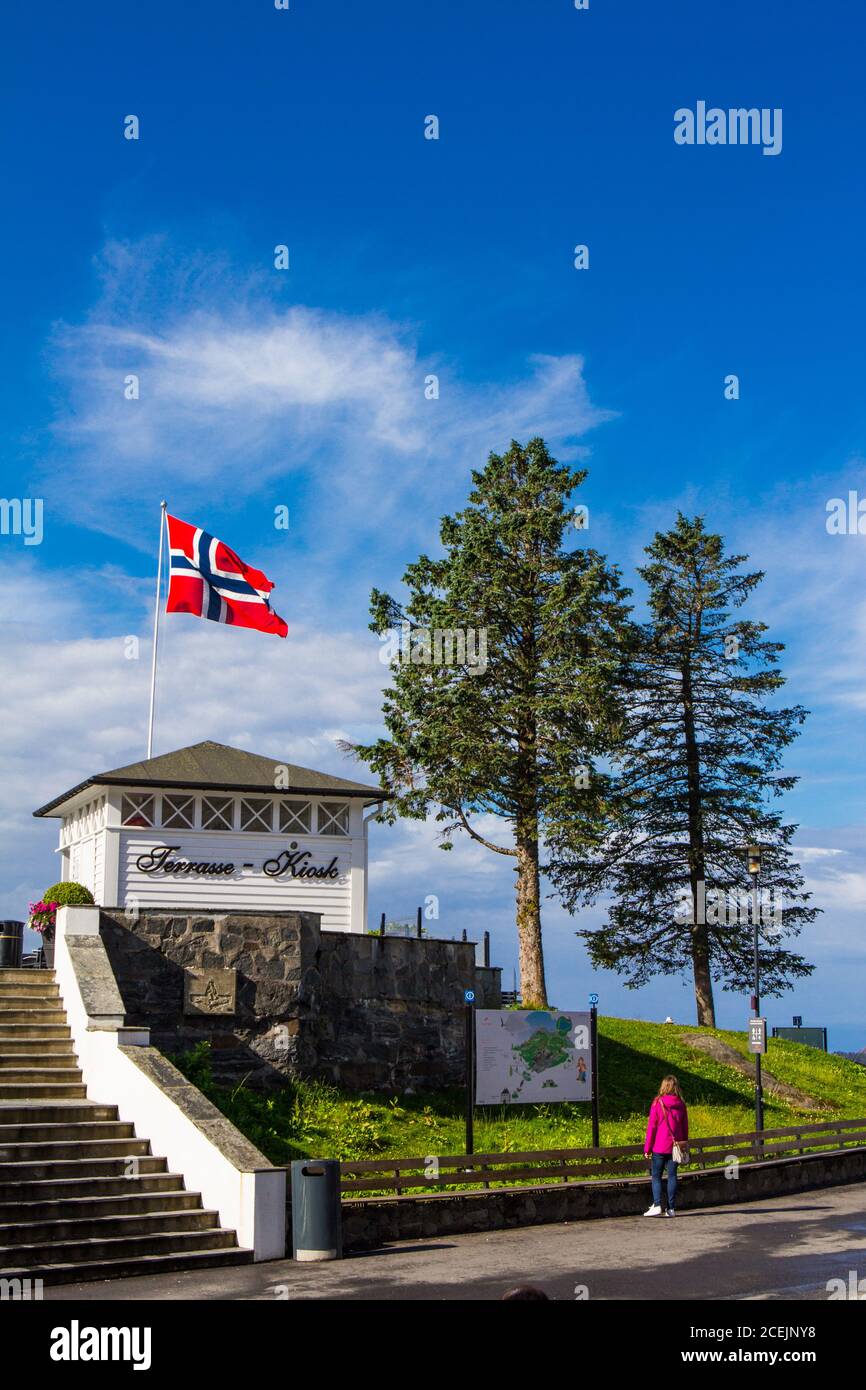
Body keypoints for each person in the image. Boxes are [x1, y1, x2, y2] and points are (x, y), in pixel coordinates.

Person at [643, 1074, 689, 1217]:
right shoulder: (681, 1104)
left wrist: (647, 1148)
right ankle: (671, 1208)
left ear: (664, 1086)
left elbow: (652, 1127)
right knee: (672, 1176)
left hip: (659, 1147)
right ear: (676, 1087)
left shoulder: (658, 1102)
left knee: (656, 1176)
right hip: (675, 1147)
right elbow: (684, 1127)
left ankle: (657, 1205)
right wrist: (683, 1144)